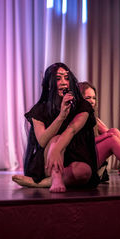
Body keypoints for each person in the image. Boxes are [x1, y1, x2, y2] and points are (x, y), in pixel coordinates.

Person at [12, 63, 99, 192]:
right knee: (55, 139)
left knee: (84, 171)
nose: (64, 83)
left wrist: (57, 149)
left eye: (66, 78)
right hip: (49, 159)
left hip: (72, 156)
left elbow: (72, 129)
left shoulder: (82, 106)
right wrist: (61, 116)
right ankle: (56, 178)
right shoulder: (39, 110)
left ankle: (41, 184)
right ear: (49, 84)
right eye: (58, 79)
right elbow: (42, 140)